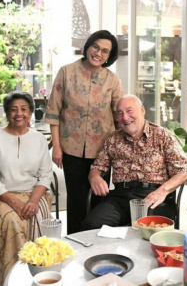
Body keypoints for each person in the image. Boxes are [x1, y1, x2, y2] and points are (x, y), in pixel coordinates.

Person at [44, 30, 123, 234]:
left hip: (103, 151)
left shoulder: (112, 80)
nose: (98, 53)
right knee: (76, 201)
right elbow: (54, 111)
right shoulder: (66, 72)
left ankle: (96, 245)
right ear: (88, 46)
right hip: (71, 149)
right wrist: (57, 148)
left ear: (110, 56)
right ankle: (74, 244)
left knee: (100, 201)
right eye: (96, 47)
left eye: (105, 51)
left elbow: (118, 116)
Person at [81, 95, 187, 230]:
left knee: (149, 230)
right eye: (120, 113)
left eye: (129, 111)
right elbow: (97, 166)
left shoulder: (163, 135)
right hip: (120, 197)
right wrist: (95, 177)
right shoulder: (113, 139)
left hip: (152, 196)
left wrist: (162, 191)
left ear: (142, 110)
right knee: (91, 225)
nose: (125, 117)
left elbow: (184, 171)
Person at [0, 91, 53, 285]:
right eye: (13, 110)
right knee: (12, 220)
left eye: (24, 109)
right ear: (6, 113)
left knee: (41, 217)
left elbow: (45, 175)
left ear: (30, 112)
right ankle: (16, 276)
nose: (19, 114)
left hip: (33, 193)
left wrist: (33, 200)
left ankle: (42, 269)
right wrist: (15, 202)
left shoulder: (39, 139)